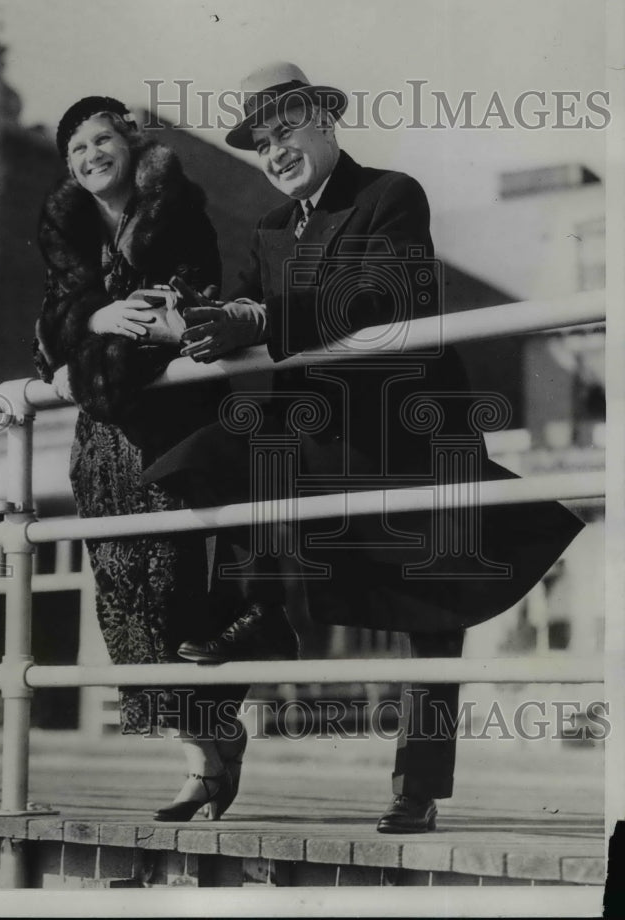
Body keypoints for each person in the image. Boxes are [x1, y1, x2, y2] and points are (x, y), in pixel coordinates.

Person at [142, 63, 585, 833]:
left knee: (434, 610)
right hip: (317, 433)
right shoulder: (272, 227)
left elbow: (379, 295)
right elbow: (247, 301)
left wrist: (263, 319)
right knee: (205, 462)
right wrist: (199, 317)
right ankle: (256, 638)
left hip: (406, 433)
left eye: (286, 131)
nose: (276, 152)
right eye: (262, 143)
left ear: (325, 121)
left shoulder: (390, 195)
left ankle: (417, 789)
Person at [33, 95, 247, 822]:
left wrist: (84, 356)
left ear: (128, 143)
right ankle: (203, 758)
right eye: (76, 149)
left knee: (177, 602)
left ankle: (211, 748)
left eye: (102, 140)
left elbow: (174, 315)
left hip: (170, 435)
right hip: (102, 448)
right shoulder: (66, 229)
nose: (91, 156)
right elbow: (47, 330)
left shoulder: (177, 210)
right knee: (124, 608)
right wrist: (96, 317)